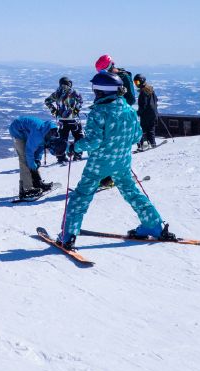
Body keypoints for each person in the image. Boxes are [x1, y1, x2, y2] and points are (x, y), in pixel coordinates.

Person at [56, 71, 176, 249]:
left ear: (100, 92)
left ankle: (68, 235)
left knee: (81, 196)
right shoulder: (128, 109)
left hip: (99, 164)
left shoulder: (99, 112)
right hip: (122, 161)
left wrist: (75, 147)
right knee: (131, 191)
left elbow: (94, 141)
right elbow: (136, 136)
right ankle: (154, 225)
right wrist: (119, 144)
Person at [94, 54, 136, 188]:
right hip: (109, 114)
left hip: (121, 115)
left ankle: (117, 176)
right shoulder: (107, 78)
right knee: (107, 147)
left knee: (117, 147)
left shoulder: (124, 77)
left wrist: (119, 99)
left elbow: (131, 99)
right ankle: (106, 178)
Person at [8, 116, 60, 199]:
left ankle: (36, 183)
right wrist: (33, 165)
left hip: (26, 132)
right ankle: (26, 189)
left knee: (33, 160)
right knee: (25, 159)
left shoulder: (49, 134)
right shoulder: (38, 135)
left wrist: (37, 160)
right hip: (17, 131)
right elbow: (29, 152)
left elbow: (40, 147)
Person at [44, 76, 84, 164]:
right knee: (78, 136)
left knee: (62, 138)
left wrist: (54, 111)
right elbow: (80, 101)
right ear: (69, 83)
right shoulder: (74, 92)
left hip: (62, 120)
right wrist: (76, 110)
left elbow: (47, 101)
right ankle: (77, 155)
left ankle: (61, 157)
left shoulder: (57, 93)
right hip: (74, 119)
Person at [134, 74, 159, 150]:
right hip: (153, 113)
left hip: (146, 115)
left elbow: (143, 105)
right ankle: (152, 144)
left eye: (137, 82)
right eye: (135, 82)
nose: (136, 84)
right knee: (150, 130)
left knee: (142, 130)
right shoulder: (150, 89)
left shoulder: (143, 92)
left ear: (141, 81)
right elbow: (156, 100)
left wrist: (138, 113)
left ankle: (143, 145)